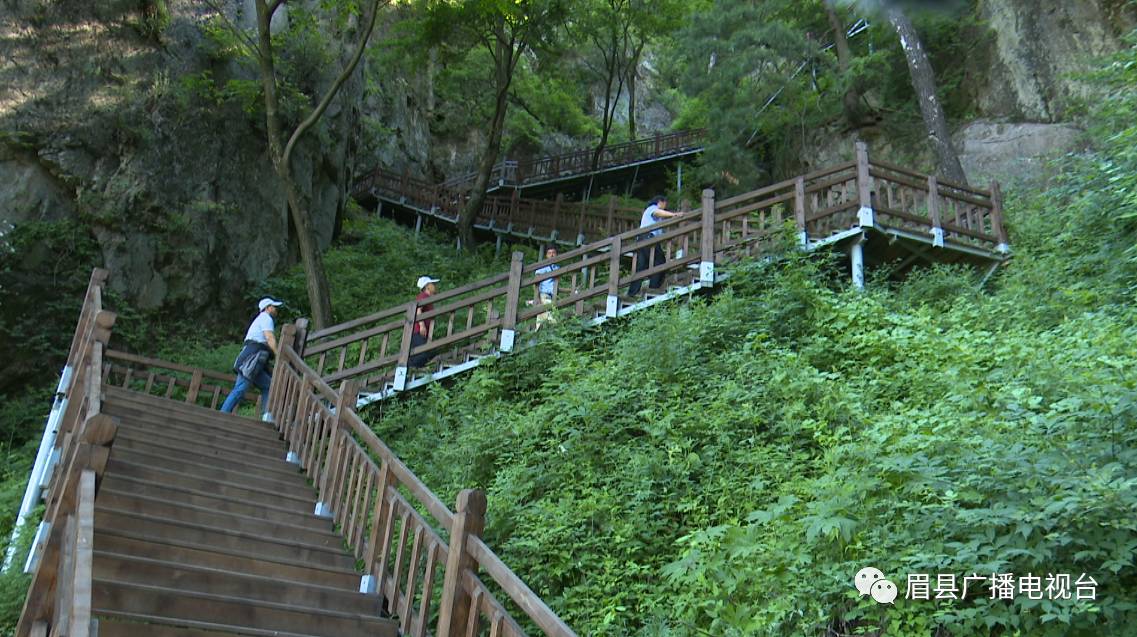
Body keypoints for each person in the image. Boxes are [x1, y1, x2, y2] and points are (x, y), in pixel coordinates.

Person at [221, 298, 281, 416]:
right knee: (241, 388)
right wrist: (277, 354)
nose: (276, 309)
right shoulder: (266, 318)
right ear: (267, 308)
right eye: (274, 307)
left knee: (268, 386)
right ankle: (223, 414)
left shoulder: (260, 319)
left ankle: (267, 416)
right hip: (253, 358)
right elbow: (269, 337)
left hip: (253, 357)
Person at [628, 196, 683, 296]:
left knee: (640, 267)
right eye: (665, 204)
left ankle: (632, 293)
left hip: (641, 239)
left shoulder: (654, 216)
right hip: (648, 238)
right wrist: (674, 214)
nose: (665, 207)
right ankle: (653, 288)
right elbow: (657, 212)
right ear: (660, 202)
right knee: (660, 262)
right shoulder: (652, 208)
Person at [409, 276, 439, 368]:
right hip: (418, 331)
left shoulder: (427, 297)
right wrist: (422, 325)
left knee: (426, 352)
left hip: (419, 331)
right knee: (424, 353)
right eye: (432, 284)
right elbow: (418, 310)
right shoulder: (423, 296)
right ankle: (408, 368)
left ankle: (411, 368)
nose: (434, 286)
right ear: (427, 286)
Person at [533, 246, 560, 329]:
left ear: (556, 254)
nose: (552, 255)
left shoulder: (557, 268)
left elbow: (555, 286)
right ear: (546, 255)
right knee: (552, 318)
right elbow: (535, 283)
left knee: (541, 318)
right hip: (543, 295)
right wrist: (537, 298)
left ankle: (537, 334)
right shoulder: (543, 267)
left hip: (553, 296)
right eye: (549, 253)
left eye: (553, 253)